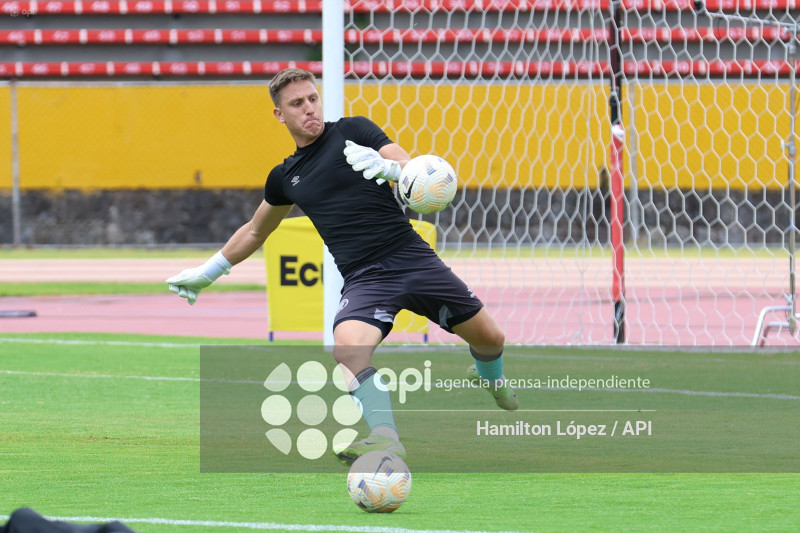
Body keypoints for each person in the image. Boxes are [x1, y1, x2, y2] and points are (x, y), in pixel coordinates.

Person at [166, 67, 517, 466]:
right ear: (280, 115)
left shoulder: (354, 130)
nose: (309, 109)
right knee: (348, 349)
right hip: (365, 278)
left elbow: (408, 164)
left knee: (491, 339)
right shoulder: (284, 177)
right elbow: (255, 230)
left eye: (312, 98)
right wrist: (208, 272)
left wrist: (393, 170)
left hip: (413, 258)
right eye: (297, 104)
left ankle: (491, 379)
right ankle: (385, 436)